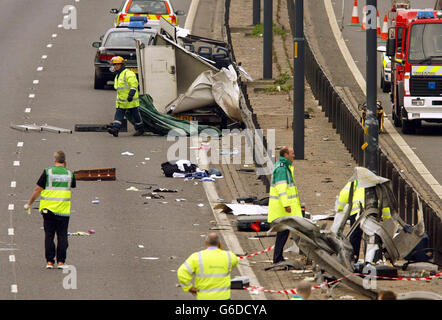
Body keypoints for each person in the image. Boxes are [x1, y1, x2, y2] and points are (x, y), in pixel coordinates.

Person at [24, 151, 76, 269]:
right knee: (62, 236)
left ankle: (50, 262)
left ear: (55, 160)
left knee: (49, 235)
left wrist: (29, 203)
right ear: (65, 161)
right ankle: (61, 262)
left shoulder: (48, 172)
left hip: (48, 210)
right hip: (63, 211)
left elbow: (38, 189)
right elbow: (72, 185)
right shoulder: (69, 174)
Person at [334, 179, 391, 263]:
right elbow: (385, 203)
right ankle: (375, 260)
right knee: (374, 236)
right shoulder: (378, 183)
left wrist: (340, 208)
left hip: (356, 212)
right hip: (374, 212)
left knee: (355, 236)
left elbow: (344, 194)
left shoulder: (355, 181)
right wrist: (387, 218)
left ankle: (353, 259)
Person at [268, 146, 303, 265]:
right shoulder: (282, 169)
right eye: (292, 153)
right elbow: (281, 189)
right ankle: (277, 258)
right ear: (286, 155)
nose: (294, 155)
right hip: (283, 209)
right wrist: (286, 205)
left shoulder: (284, 167)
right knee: (283, 233)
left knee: (283, 233)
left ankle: (278, 257)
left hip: (284, 208)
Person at [177, 232, 239, 300]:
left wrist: (189, 287)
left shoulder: (197, 257)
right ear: (219, 243)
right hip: (223, 297)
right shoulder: (229, 256)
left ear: (206, 243)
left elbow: (181, 272)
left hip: (204, 297)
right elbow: (235, 261)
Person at [107, 56, 144, 137]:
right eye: (114, 65)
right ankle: (115, 129)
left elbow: (134, 84)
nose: (116, 66)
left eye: (117, 64)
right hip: (122, 102)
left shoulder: (128, 73)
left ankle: (140, 129)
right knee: (118, 115)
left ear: (122, 65)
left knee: (136, 116)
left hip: (131, 101)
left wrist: (131, 94)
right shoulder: (118, 75)